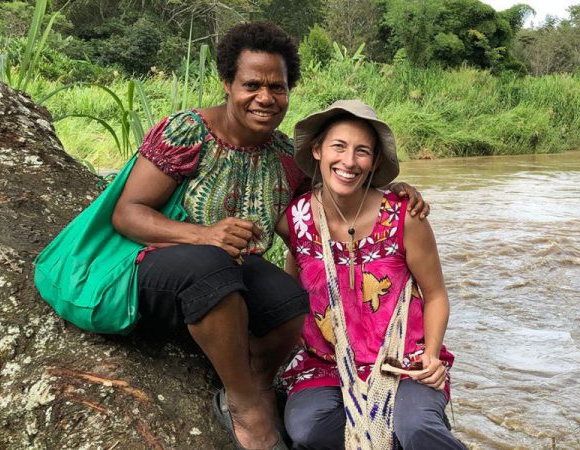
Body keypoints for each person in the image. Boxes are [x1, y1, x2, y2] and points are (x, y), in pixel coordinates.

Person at [112, 23, 429, 450]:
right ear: (227, 84)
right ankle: (244, 406)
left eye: (277, 87)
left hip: (228, 266)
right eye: (251, 85)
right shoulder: (188, 131)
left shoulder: (282, 155)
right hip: (158, 262)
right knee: (213, 267)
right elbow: (128, 213)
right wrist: (204, 234)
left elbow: (327, 207)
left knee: (292, 299)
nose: (265, 97)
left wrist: (390, 195)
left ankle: (259, 382)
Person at [277, 100, 464, 449]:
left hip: (402, 361)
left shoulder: (404, 216)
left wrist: (432, 356)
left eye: (362, 151)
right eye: (338, 146)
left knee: (417, 429)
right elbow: (293, 286)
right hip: (325, 364)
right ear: (317, 150)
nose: (349, 161)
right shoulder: (295, 219)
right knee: (307, 429)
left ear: (375, 161)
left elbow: (436, 294)